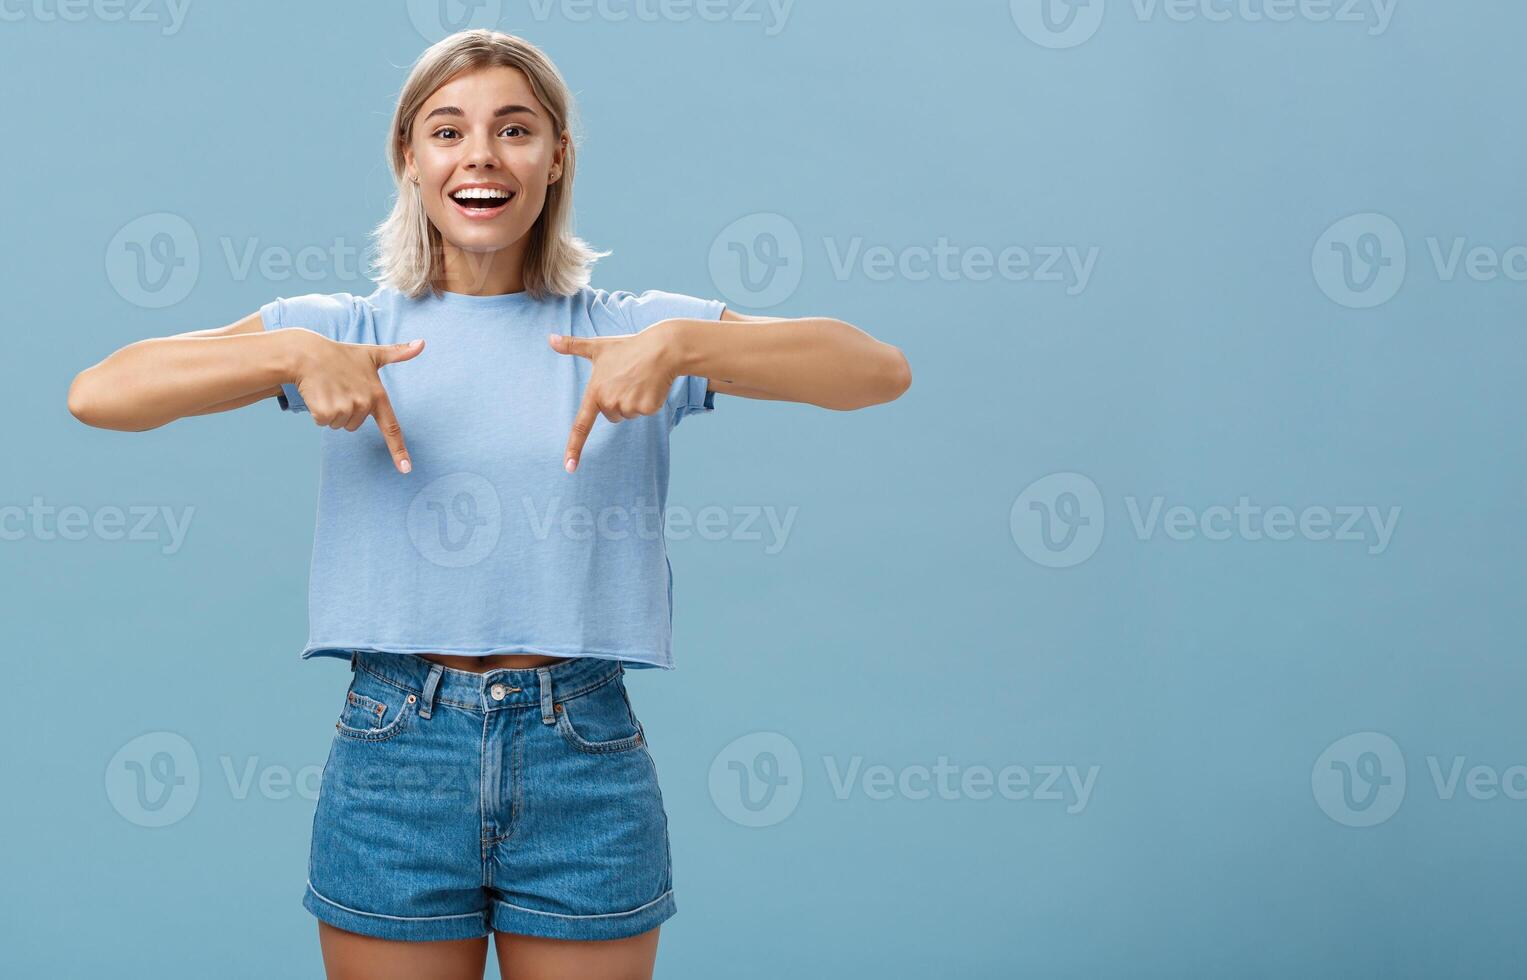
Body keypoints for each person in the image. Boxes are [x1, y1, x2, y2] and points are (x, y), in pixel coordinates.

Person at [67, 29, 909, 980]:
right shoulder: (347, 330)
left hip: (580, 752)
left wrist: (684, 346)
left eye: (515, 129)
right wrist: (287, 355)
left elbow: (875, 370)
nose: (480, 155)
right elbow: (100, 393)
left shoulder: (628, 331)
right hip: (394, 756)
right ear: (409, 159)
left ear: (556, 160)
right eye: (447, 131)